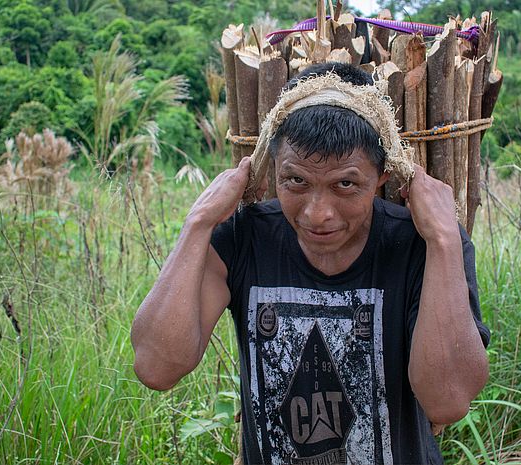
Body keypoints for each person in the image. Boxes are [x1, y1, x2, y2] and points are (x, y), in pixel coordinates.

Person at [131, 62, 490, 465]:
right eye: (296, 181)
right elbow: (156, 367)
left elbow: (448, 401)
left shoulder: (423, 246)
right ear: (272, 173)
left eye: (346, 184)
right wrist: (197, 223)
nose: (318, 213)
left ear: (383, 176)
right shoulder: (242, 239)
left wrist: (443, 239)